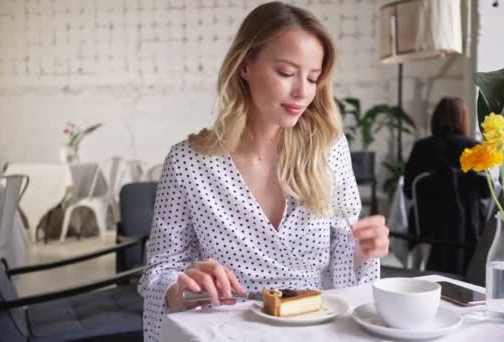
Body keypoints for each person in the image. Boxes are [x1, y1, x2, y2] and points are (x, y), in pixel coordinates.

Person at [138, 2, 390, 341]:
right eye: (286, 73)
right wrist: (181, 288)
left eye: (313, 78)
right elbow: (159, 271)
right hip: (224, 333)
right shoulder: (188, 163)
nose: (303, 92)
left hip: (312, 332)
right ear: (245, 66)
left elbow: (345, 270)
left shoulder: (329, 151)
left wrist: (363, 249)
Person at [402, 96, 489, 274]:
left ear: (435, 118)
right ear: (463, 118)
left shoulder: (422, 148)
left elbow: (408, 191)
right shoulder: (474, 148)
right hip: (469, 228)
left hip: (428, 227)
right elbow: (487, 192)